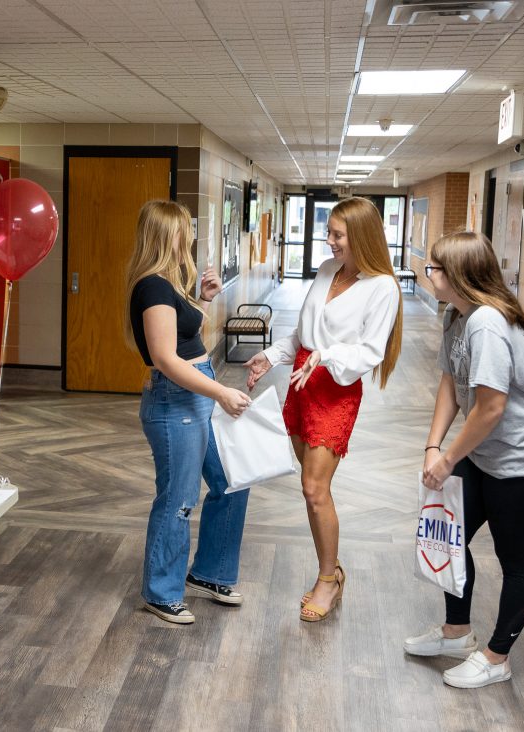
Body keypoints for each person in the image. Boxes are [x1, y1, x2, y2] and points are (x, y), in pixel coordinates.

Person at [403, 231, 524, 689]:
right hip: (484, 452)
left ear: (457, 275)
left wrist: (450, 457)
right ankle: (457, 632)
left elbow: (491, 407)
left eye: (434, 268)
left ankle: (497, 657)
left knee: (515, 559)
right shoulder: (457, 317)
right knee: (448, 537)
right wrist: (433, 447)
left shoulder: (488, 325)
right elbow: (449, 384)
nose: (427, 273)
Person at [245, 196, 402, 622]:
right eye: (328, 232)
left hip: (335, 387)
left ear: (362, 237)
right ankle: (331, 569)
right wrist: (272, 355)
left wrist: (325, 357)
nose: (328, 241)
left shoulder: (382, 286)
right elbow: (303, 331)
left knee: (316, 490)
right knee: (310, 488)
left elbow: (369, 351)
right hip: (300, 379)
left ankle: (327, 580)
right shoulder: (327, 270)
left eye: (337, 235)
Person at [127, 199, 253, 625]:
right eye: (185, 229)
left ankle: (209, 573)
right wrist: (220, 392)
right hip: (174, 400)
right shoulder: (152, 287)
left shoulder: (170, 284)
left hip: (196, 392)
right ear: (168, 235)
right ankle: (161, 593)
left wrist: (203, 299)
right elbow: (165, 357)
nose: (191, 237)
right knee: (179, 500)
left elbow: (182, 337)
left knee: (233, 482)